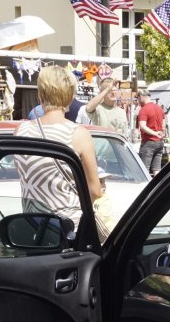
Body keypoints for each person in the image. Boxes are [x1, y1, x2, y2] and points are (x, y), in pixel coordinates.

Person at [15, 65, 107, 234]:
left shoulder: (21, 131)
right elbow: (94, 190)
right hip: (67, 230)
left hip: (31, 229)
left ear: (40, 95)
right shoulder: (78, 134)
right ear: (71, 98)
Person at [135, 86, 166, 176]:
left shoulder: (144, 109)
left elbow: (143, 126)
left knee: (144, 169)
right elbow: (163, 126)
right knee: (157, 169)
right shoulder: (159, 108)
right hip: (160, 142)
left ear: (141, 96)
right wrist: (160, 134)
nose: (137, 101)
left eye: (137, 98)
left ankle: (144, 188)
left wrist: (154, 133)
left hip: (148, 141)